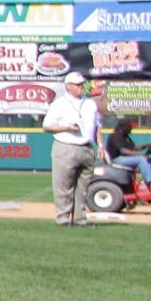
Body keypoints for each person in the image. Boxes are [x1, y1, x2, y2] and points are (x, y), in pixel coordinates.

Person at [42, 71, 101, 226]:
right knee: (63, 186)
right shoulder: (59, 104)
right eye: (77, 84)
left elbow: (97, 126)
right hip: (65, 146)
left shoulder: (90, 103)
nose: (81, 87)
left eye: (82, 84)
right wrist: (66, 128)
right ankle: (63, 218)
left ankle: (80, 218)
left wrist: (100, 145)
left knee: (83, 187)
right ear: (68, 86)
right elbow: (46, 126)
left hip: (86, 147)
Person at [103, 118, 151, 185]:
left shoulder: (125, 136)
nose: (131, 128)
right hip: (116, 159)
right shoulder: (116, 136)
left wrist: (147, 145)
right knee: (141, 159)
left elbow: (134, 148)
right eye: (130, 127)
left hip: (123, 158)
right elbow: (123, 151)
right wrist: (140, 155)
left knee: (148, 159)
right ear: (124, 127)